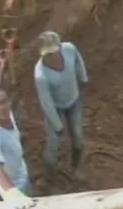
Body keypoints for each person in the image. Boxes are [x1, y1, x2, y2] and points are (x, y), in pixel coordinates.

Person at [33, 31, 90, 189]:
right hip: (55, 108)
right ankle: (48, 175)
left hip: (73, 101)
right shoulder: (40, 74)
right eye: (47, 54)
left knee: (78, 136)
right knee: (52, 143)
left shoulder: (69, 49)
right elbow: (46, 101)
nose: (51, 57)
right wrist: (57, 125)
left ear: (59, 47)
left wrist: (83, 77)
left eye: (53, 52)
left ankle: (76, 167)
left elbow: (78, 61)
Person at [0, 86, 36, 209]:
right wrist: (12, 193)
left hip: (22, 173)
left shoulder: (8, 114)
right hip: (8, 185)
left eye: (4, 101)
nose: (3, 107)